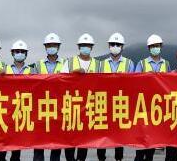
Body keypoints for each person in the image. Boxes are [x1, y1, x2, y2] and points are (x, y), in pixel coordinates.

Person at [134, 34, 170, 161]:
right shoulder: (142, 63)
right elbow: (135, 82)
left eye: (157, 46)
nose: (155, 48)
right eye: (153, 46)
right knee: (141, 143)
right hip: (144, 106)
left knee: (152, 143)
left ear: (161, 47)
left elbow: (169, 84)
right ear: (149, 48)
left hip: (158, 108)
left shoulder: (166, 64)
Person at [98, 33, 133, 161]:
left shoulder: (129, 64)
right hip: (104, 103)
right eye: (113, 44)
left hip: (120, 103)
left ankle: (119, 158)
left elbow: (134, 84)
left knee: (119, 135)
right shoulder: (101, 64)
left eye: (118, 44)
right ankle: (101, 158)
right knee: (102, 132)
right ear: (109, 46)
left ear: (122, 47)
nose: (115, 46)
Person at [64, 34, 98, 161]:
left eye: (88, 45)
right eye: (83, 45)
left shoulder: (98, 64)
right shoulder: (69, 62)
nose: (85, 47)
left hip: (89, 105)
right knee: (70, 136)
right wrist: (73, 74)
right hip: (72, 105)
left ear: (91, 47)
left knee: (84, 138)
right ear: (79, 47)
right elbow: (60, 81)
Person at [33, 33, 65, 161]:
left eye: (54, 45)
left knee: (56, 145)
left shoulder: (65, 64)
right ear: (45, 47)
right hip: (41, 109)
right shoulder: (38, 65)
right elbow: (32, 86)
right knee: (38, 145)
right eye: (49, 45)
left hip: (59, 109)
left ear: (58, 47)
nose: (51, 47)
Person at [7, 40, 33, 161]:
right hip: (8, 110)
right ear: (12, 53)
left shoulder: (32, 71)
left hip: (25, 109)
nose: (20, 54)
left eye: (22, 51)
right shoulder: (5, 69)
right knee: (5, 141)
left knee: (18, 142)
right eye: (17, 51)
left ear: (26, 54)